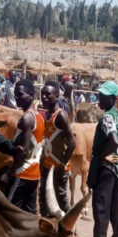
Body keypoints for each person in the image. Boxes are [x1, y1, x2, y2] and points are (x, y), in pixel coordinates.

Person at [86, 81, 118, 237]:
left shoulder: (108, 117)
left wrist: (102, 155)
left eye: (102, 96)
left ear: (112, 98)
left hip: (105, 166)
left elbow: (114, 140)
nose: (99, 98)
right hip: (117, 165)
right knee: (115, 209)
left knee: (101, 209)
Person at [2, 79, 44, 214]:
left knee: (8, 211)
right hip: (34, 174)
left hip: (22, 173)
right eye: (15, 94)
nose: (17, 97)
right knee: (29, 213)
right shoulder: (38, 117)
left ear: (31, 94)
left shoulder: (27, 118)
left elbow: (24, 151)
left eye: (20, 94)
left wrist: (9, 173)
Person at [39, 81, 75, 217]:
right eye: (42, 94)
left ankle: (72, 232)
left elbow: (72, 142)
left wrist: (62, 163)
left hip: (58, 168)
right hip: (47, 166)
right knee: (43, 199)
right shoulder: (47, 114)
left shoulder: (60, 116)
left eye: (48, 95)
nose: (44, 97)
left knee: (62, 201)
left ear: (57, 96)